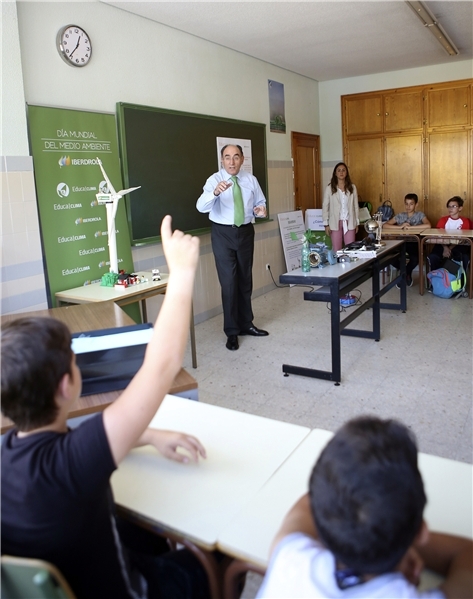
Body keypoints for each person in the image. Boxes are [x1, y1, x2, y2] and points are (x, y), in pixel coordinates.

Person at [1, 216, 210, 599]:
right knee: (213, 563)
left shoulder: (8, 454)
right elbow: (161, 365)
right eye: (73, 357)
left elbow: (90, 437)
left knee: (143, 534)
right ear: (67, 386)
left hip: (72, 577)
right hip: (125, 591)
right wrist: (181, 272)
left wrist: (147, 435)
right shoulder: (72, 463)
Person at [257, 416, 473, 599]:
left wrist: (389, 539)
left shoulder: (289, 557)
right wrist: (396, 541)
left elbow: (312, 500)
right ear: (421, 532)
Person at [196, 144, 268, 351]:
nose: (232, 162)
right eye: (227, 157)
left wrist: (261, 210)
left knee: (245, 280)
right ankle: (232, 332)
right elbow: (200, 207)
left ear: (242, 159)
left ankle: (247, 324)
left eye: (236, 157)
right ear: (222, 160)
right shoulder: (214, 180)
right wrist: (215, 193)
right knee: (229, 283)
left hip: (245, 232)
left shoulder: (250, 180)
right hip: (222, 233)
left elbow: (261, 203)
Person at [383, 193, 431, 287]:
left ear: (416, 205)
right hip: (400, 242)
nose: (408, 206)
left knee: (415, 258)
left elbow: (428, 225)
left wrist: (411, 228)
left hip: (414, 243)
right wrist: (401, 227)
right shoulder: (400, 215)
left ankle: (403, 274)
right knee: (389, 257)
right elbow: (385, 225)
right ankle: (406, 272)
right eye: (406, 204)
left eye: (411, 204)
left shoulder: (420, 215)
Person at [428, 196, 473, 271]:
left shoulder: (465, 221)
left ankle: (458, 280)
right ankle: (436, 279)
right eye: (449, 206)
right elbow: (439, 236)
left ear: (460, 208)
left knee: (462, 257)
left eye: (454, 206)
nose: (450, 208)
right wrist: (445, 248)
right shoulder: (443, 220)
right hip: (442, 244)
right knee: (433, 256)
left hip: (458, 245)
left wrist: (449, 249)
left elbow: (463, 238)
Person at [322, 162, 359, 252]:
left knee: (350, 249)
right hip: (335, 222)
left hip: (349, 222)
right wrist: (326, 224)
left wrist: (356, 222)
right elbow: (325, 206)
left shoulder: (352, 187)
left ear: (346, 173)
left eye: (343, 170)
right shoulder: (330, 188)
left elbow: (355, 206)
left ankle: (350, 266)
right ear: (335, 173)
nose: (341, 172)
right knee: (337, 250)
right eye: (339, 170)